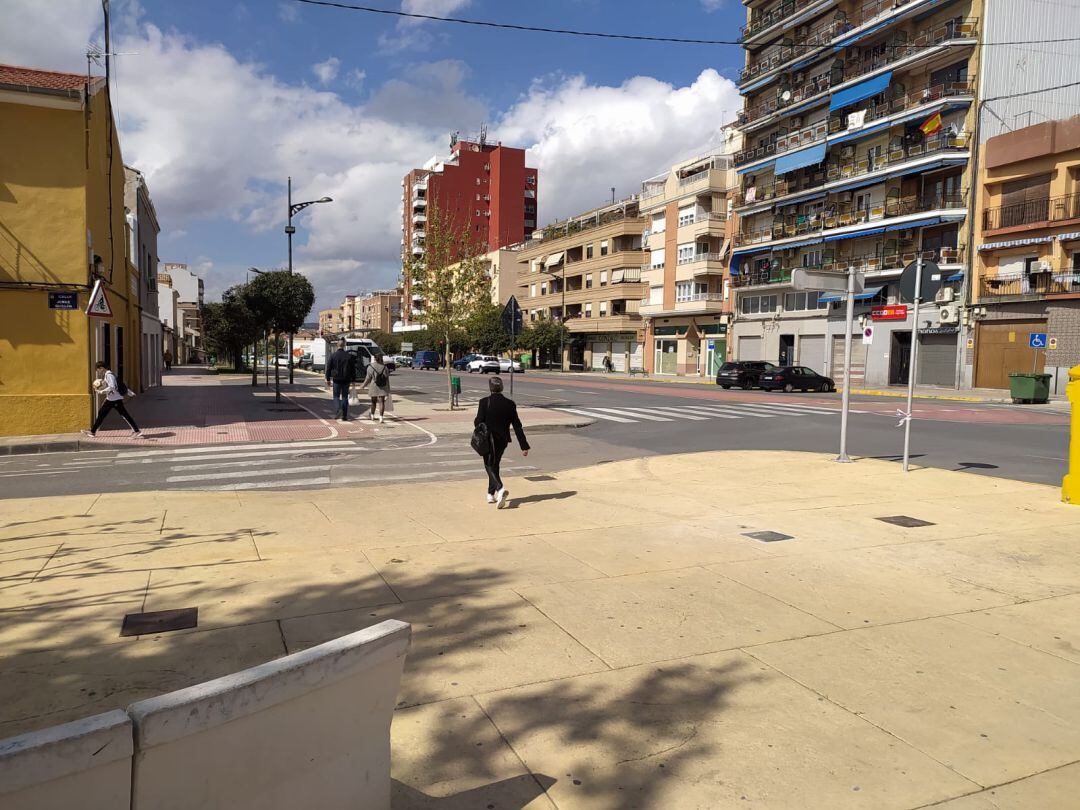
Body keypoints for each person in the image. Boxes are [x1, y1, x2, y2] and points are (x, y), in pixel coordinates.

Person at [474, 375, 529, 508]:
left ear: (490, 388)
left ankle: (500, 488)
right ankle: (490, 494)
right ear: (502, 387)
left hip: (488, 439)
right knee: (495, 464)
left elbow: (478, 422)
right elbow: (517, 426)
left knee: (488, 465)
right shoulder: (510, 404)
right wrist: (524, 445)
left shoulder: (484, 402)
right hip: (502, 440)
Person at [84, 360, 143, 438]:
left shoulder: (109, 375)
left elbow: (112, 387)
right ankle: (92, 431)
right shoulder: (109, 374)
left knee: (123, 415)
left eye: (98, 370)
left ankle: (137, 431)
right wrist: (129, 392)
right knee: (102, 414)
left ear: (101, 368)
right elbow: (119, 384)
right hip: (112, 398)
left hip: (114, 399)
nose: (98, 372)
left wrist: (102, 391)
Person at [325, 339, 357, 422]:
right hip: (346, 379)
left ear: (337, 345)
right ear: (344, 345)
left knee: (336, 396)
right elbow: (353, 369)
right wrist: (353, 380)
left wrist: (328, 379)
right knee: (345, 397)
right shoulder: (349, 356)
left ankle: (338, 409)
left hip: (336, 379)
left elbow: (328, 368)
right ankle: (344, 416)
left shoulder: (333, 356)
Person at [363, 352, 392, 423]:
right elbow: (387, 378)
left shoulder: (370, 366)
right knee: (382, 402)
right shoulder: (385, 367)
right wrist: (388, 388)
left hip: (374, 386)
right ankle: (381, 417)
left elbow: (368, 378)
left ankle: (372, 415)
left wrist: (363, 385)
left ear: (375, 359)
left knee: (373, 402)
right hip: (383, 386)